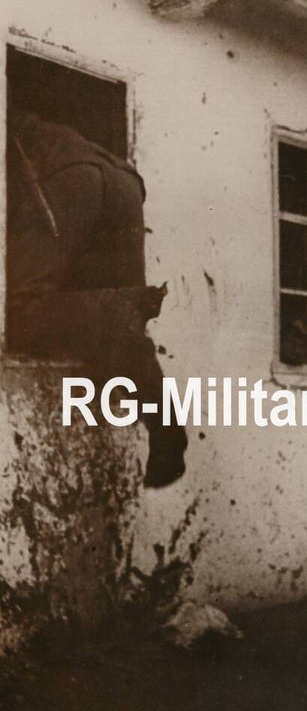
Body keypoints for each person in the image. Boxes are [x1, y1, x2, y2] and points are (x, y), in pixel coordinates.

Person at [6, 105, 187, 488]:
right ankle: (164, 422)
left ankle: (117, 314)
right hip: (123, 180)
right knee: (122, 323)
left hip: (71, 175)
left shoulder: (20, 134)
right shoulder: (44, 125)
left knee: (19, 313)